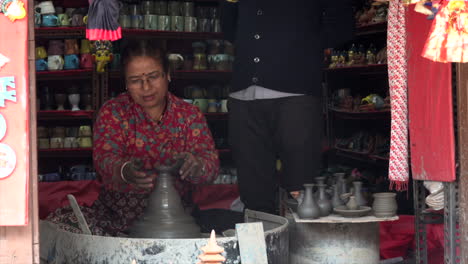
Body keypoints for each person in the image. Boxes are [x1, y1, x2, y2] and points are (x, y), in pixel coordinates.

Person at [47, 40, 220, 236]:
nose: (146, 87)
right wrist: (124, 170)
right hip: (115, 219)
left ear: (168, 75)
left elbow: (211, 165)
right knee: (58, 225)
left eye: (153, 77)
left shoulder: (189, 115)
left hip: (176, 220)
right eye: (135, 80)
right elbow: (104, 159)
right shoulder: (113, 112)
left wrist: (196, 166)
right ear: (126, 83)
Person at [220, 0, 354, 214]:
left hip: (296, 93)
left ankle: (304, 246)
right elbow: (228, 28)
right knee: (254, 194)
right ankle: (262, 245)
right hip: (244, 94)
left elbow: (342, 26)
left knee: (302, 191)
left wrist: (301, 45)